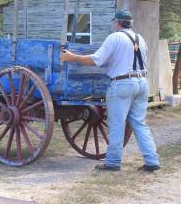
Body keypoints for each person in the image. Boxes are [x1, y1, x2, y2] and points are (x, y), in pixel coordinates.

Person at [60, 9, 160, 172]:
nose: (114, 25)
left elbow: (96, 60)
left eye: (115, 22)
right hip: (142, 82)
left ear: (118, 23)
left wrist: (72, 57)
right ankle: (152, 160)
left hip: (122, 84)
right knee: (139, 124)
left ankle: (113, 162)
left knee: (117, 125)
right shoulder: (140, 39)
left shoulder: (115, 38)